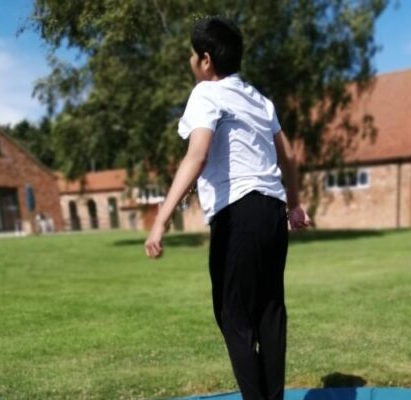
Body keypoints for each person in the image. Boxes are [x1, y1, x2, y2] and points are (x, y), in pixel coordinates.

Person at [144, 16, 310, 400]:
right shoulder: (259, 99)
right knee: (269, 314)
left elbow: (196, 156)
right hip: (272, 214)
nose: (190, 60)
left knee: (233, 317)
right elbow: (289, 156)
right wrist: (295, 205)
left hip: (239, 215)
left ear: (206, 60)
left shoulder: (206, 93)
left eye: (191, 54)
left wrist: (161, 220)